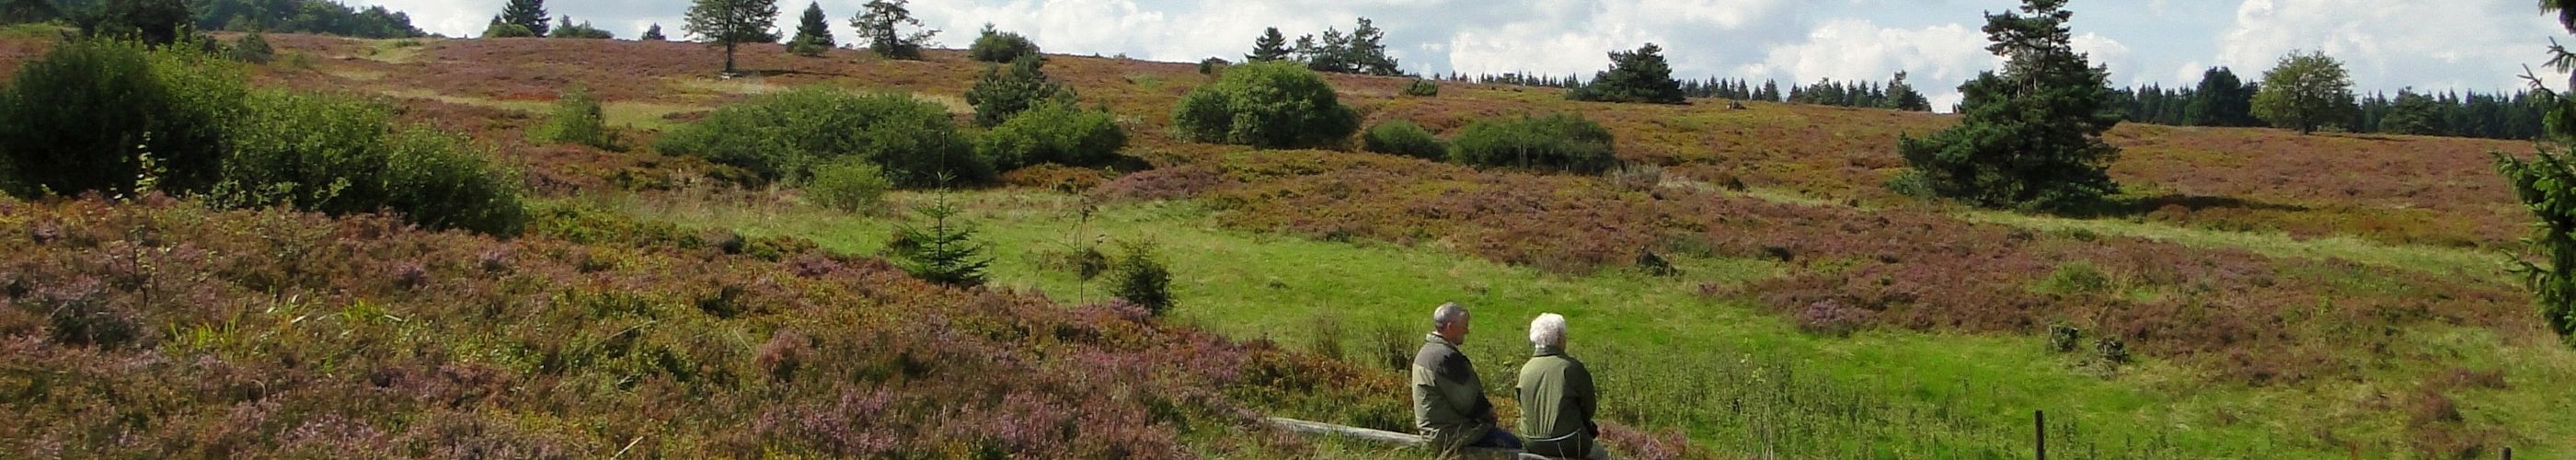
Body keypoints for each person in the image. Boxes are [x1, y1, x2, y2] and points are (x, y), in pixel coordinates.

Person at [1413, 302, 1520, 454]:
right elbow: (1470, 404)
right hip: (1450, 432)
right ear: (1450, 327)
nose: (1467, 331)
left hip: (1433, 430)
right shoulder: (1445, 358)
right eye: (1464, 326)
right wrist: (1490, 417)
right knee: (1513, 444)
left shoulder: (1426, 352)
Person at [1517, 313, 1610, 460]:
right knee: (1601, 455)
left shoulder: (1525, 370)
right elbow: (1589, 407)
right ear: (1559, 338)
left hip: (1531, 441)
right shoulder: (1571, 367)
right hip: (1569, 441)